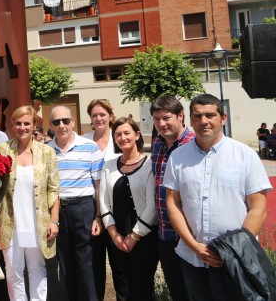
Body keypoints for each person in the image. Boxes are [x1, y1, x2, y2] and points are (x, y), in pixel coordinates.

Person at [164, 94, 272, 301]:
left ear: (223, 118)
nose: (204, 121)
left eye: (210, 115)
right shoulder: (177, 157)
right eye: (198, 116)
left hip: (236, 260)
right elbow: (173, 204)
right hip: (192, 257)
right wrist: (195, 246)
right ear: (190, 119)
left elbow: (258, 208)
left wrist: (231, 251)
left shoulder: (245, 155)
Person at [0, 105, 60, 301]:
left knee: (37, 269)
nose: (22, 127)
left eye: (27, 123)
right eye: (18, 123)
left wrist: (54, 220)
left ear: (34, 125)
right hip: (9, 220)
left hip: (37, 221)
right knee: (14, 272)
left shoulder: (46, 153)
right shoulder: (3, 150)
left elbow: (54, 189)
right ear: (13, 125)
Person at [99, 117, 158, 301]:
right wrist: (115, 235)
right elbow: (103, 201)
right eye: (118, 134)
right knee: (122, 289)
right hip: (117, 239)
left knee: (143, 288)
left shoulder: (149, 165)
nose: (122, 138)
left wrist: (134, 236)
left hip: (144, 239)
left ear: (137, 135)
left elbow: (152, 205)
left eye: (127, 133)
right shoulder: (109, 166)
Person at [48, 105, 103, 301]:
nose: (61, 125)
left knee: (86, 263)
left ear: (73, 122)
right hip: (57, 211)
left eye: (65, 121)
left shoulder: (90, 147)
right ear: (51, 125)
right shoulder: (46, 151)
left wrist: (98, 216)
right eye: (56, 122)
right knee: (64, 262)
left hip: (84, 208)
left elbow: (99, 186)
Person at [149, 95, 193, 301]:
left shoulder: (194, 144)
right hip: (166, 234)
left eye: (166, 118)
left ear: (181, 115)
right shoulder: (157, 144)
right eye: (156, 119)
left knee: (197, 291)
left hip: (191, 235)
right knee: (177, 291)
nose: (161, 124)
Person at [82, 99, 116, 300]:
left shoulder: (119, 138)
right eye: (94, 115)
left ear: (110, 116)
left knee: (119, 265)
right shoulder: (83, 141)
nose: (98, 118)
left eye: (102, 114)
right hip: (92, 211)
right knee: (94, 265)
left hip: (116, 209)